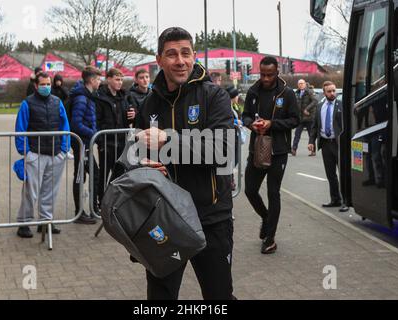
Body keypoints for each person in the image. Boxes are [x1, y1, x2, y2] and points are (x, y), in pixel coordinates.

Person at [135, 27, 235, 300]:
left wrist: (167, 140)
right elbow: (135, 154)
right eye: (171, 54)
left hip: (209, 218)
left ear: (193, 56)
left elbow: (223, 151)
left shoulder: (214, 96)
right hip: (163, 219)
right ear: (159, 60)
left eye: (185, 53)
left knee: (219, 297)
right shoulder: (149, 104)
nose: (180, 60)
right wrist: (141, 164)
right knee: (160, 298)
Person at [242, 56, 299, 254]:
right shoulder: (253, 92)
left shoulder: (287, 93)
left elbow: (295, 119)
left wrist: (271, 124)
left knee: (273, 193)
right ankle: (266, 218)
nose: (266, 79)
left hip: (278, 152)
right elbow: (245, 116)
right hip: (257, 149)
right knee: (249, 190)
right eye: (263, 74)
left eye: (270, 75)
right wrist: (252, 124)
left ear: (277, 73)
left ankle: (270, 238)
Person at [15, 72, 71, 238]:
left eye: (48, 84)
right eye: (43, 84)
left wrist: (64, 149)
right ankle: (24, 223)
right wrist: (25, 152)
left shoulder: (57, 102)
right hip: (35, 154)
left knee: (50, 191)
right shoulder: (27, 103)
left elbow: (65, 125)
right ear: (36, 85)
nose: (46, 87)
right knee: (30, 191)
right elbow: (20, 129)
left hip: (55, 154)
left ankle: (46, 222)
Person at [96, 68, 135, 206]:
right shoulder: (100, 97)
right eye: (117, 79)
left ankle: (114, 202)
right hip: (106, 143)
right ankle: (101, 202)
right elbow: (97, 120)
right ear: (108, 79)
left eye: (121, 80)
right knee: (103, 175)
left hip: (121, 142)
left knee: (119, 175)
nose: (120, 83)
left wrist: (132, 116)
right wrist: (101, 140)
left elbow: (128, 119)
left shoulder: (124, 97)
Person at [308, 81, 349, 212]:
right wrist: (311, 141)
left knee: (342, 173)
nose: (332, 93)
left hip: (338, 144)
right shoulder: (320, 106)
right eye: (329, 91)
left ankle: (346, 202)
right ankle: (335, 199)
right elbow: (315, 125)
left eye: (334, 91)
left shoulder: (342, 105)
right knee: (330, 174)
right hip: (325, 144)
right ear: (324, 93)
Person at [69, 66, 102, 224]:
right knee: (80, 177)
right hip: (81, 144)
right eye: (98, 79)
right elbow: (76, 124)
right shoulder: (82, 98)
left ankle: (91, 209)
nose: (100, 81)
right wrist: (92, 133)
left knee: (91, 174)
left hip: (86, 143)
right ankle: (80, 212)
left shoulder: (88, 96)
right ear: (91, 80)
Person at [291, 79, 318, 156]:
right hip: (300, 118)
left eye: (302, 83)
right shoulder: (297, 93)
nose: (300, 85)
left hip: (309, 117)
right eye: (299, 84)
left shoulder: (309, 91)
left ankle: (313, 151)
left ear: (305, 84)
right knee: (297, 134)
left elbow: (315, 101)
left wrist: (307, 109)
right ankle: (294, 149)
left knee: (311, 135)